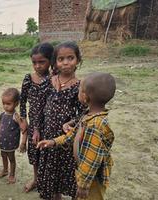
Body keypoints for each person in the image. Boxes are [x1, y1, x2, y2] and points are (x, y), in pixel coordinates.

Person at [37, 72, 116, 200]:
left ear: (85, 97)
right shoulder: (88, 116)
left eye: (79, 90)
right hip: (85, 175)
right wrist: (53, 141)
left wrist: (83, 185)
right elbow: (73, 135)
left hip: (92, 180)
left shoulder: (94, 126)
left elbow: (91, 161)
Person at [36, 42, 87, 200]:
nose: (65, 62)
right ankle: (55, 196)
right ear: (55, 62)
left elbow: (84, 113)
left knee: (66, 170)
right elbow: (39, 107)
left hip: (67, 139)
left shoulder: (80, 86)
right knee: (51, 172)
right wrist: (37, 129)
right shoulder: (48, 82)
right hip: (48, 134)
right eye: (61, 59)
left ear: (77, 60)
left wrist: (71, 122)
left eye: (70, 58)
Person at [19, 43, 53, 192]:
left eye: (42, 62)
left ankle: (47, 182)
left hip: (51, 124)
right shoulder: (29, 78)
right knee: (35, 153)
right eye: (34, 62)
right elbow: (22, 100)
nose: (37, 66)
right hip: (33, 123)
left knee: (48, 153)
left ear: (51, 60)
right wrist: (23, 119)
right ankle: (36, 179)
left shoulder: (55, 80)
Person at [0, 88, 26, 184]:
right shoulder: (2, 114)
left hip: (11, 143)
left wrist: (23, 142)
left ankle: (12, 174)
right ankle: (5, 170)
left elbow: (24, 128)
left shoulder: (16, 116)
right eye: (4, 103)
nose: (5, 106)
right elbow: (0, 125)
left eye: (8, 104)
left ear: (16, 103)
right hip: (2, 142)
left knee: (11, 158)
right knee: (3, 155)